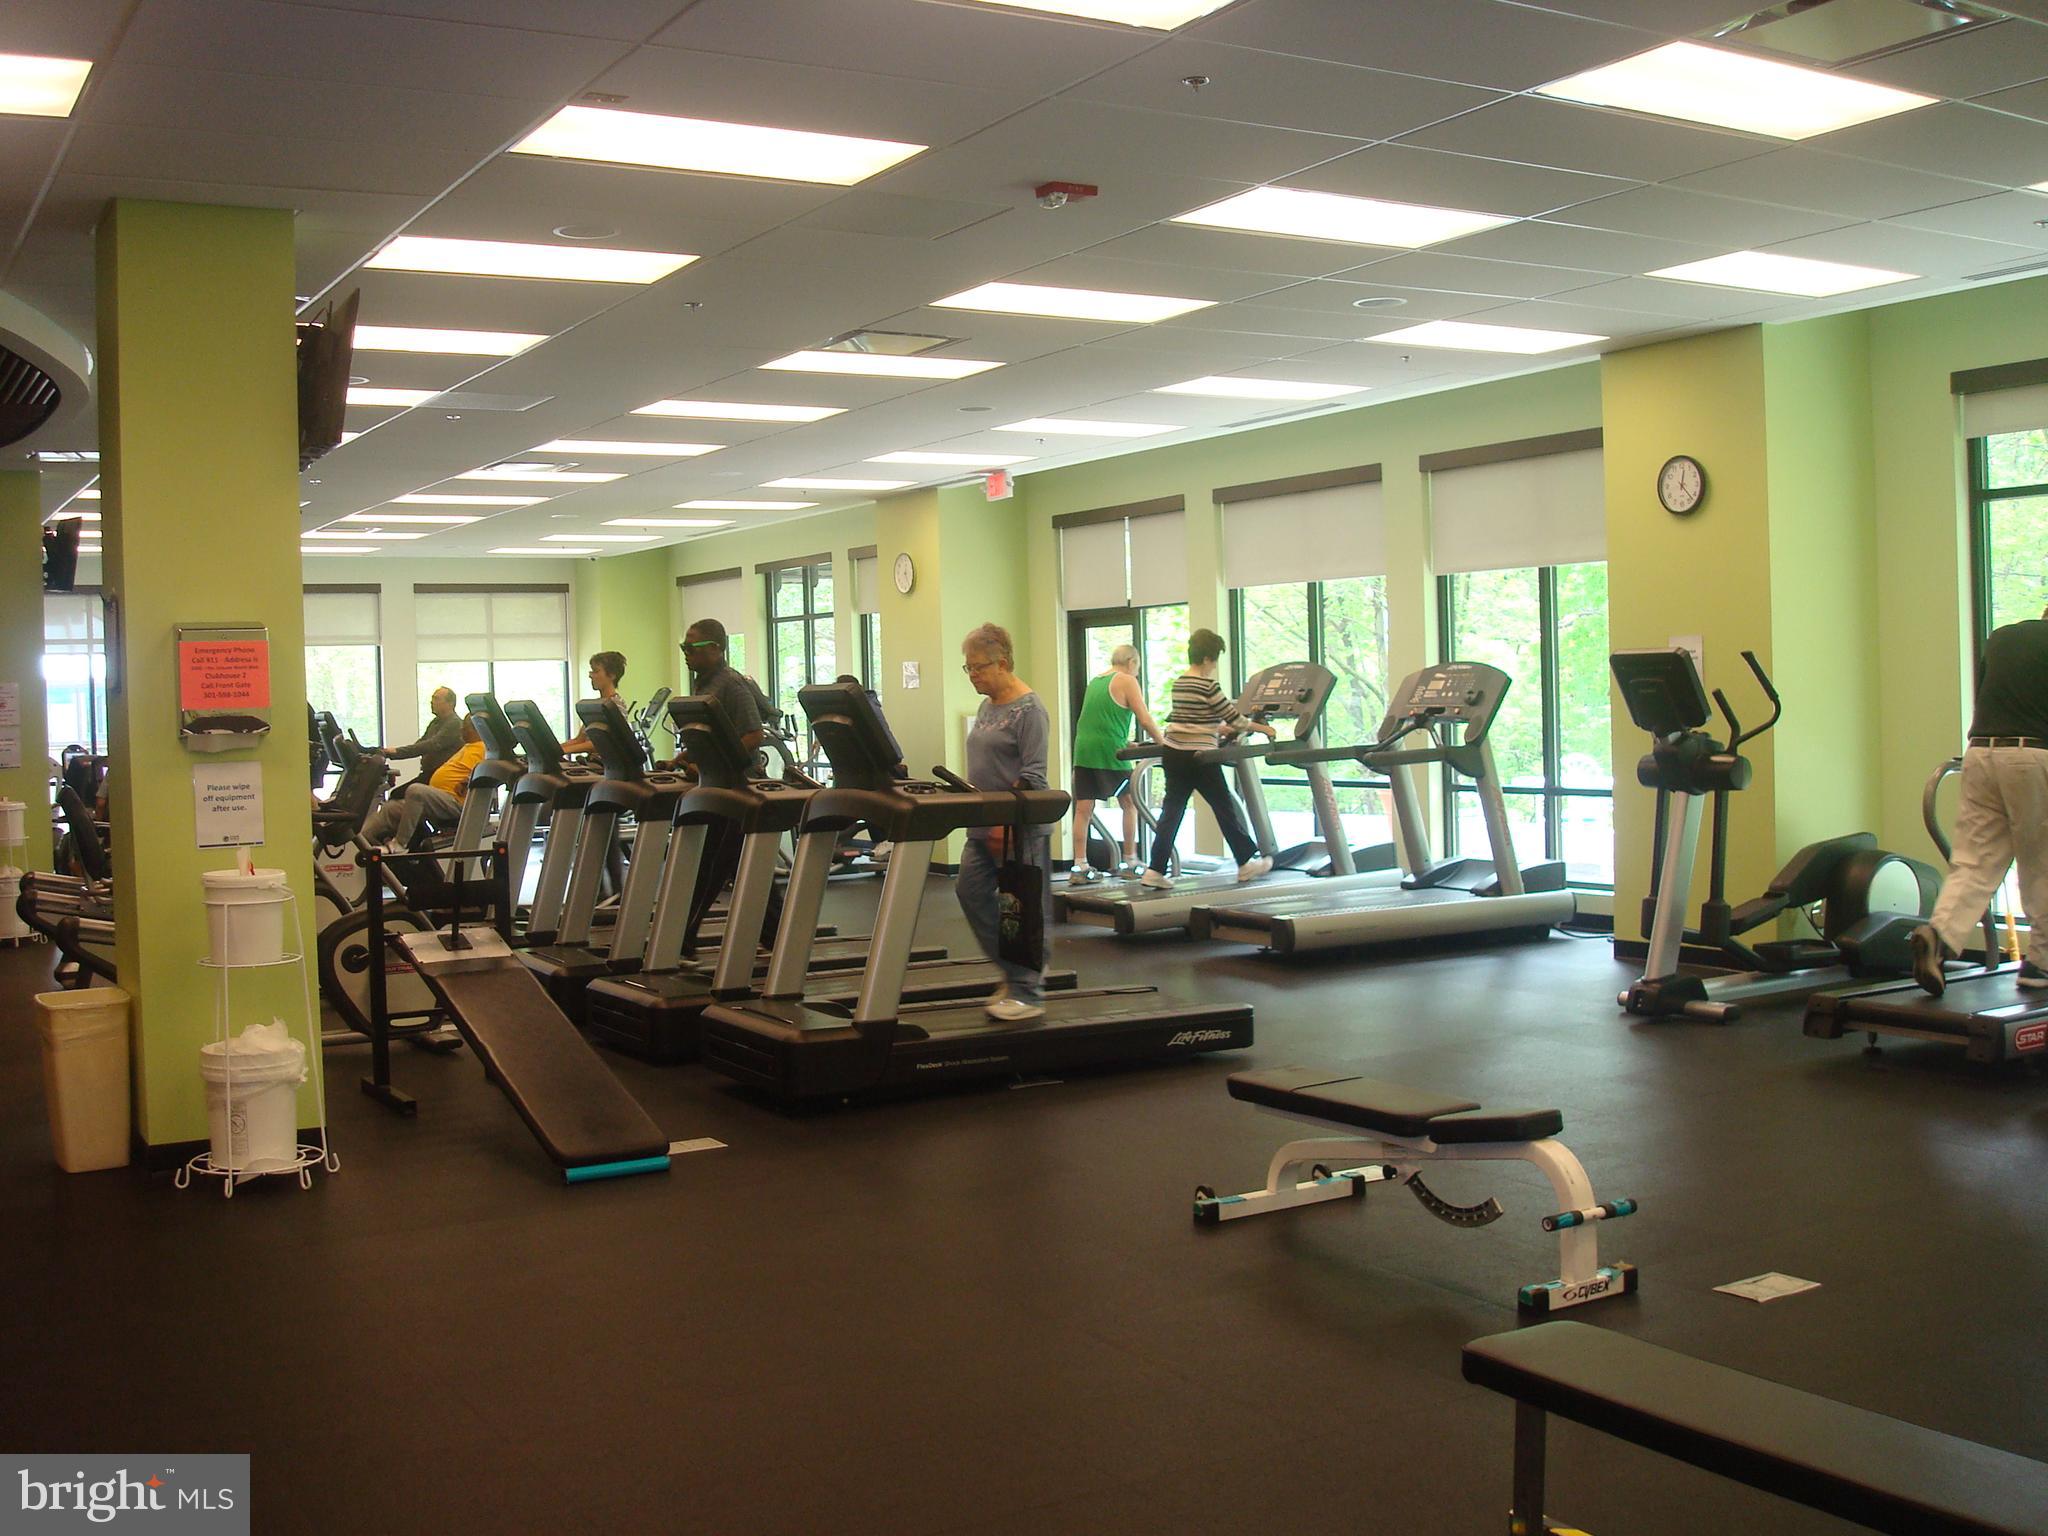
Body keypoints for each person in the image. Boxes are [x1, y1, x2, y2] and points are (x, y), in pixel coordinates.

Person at [1909, 603, 2048, 995]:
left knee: (1974, 861)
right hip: (2034, 756)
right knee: (2042, 863)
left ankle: (1939, 936)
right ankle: (2040, 964)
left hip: (1981, 754)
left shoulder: (2003, 637)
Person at [957, 622, 1053, 1023]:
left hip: (1017, 828)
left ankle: (1027, 991)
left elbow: (1033, 775)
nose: (973, 675)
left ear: (1004, 662)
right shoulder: (987, 706)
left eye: (979, 667)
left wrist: (1005, 824)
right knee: (969, 892)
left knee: (1020, 909)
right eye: (968, 667)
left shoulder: (1030, 711)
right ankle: (1015, 971)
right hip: (983, 823)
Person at [1142, 629, 1275, 891]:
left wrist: (1217, 728)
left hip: (1173, 752)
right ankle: (1246, 862)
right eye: (1214, 660)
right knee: (1224, 807)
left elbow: (1193, 718)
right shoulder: (1208, 685)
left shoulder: (1179, 683)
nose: (1214, 666)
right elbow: (1235, 719)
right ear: (1206, 659)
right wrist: (1264, 729)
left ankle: (1154, 869)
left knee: (1172, 811)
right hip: (1199, 757)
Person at [679, 619, 780, 950]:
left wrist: (716, 761)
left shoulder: (732, 685)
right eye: (683, 648)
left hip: (738, 786)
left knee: (713, 864)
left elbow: (753, 734)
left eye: (691, 647)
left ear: (715, 648)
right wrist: (686, 757)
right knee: (744, 865)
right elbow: (711, 734)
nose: (686, 653)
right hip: (716, 786)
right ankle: (777, 935)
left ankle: (684, 936)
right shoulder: (704, 684)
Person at [1067, 643, 1165, 884]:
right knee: (1129, 803)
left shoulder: (1095, 682)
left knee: (1083, 810)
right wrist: (1164, 744)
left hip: (1084, 750)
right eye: (1137, 667)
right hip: (1109, 753)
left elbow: (1100, 721)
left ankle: (1080, 865)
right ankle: (1130, 861)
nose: (1137, 673)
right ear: (1132, 662)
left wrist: (1126, 742)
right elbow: (1144, 719)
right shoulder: (1127, 680)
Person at [361, 719, 486, 851]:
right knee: (391, 808)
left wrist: (468, 780)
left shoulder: (483, 748)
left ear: (477, 729)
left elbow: (488, 769)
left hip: (456, 802)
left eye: (465, 726)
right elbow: (421, 744)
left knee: (416, 791)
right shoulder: (466, 746)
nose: (461, 729)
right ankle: (364, 844)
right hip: (438, 798)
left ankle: (400, 845)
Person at [377, 686, 464, 783]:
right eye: (432, 698)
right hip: (430, 773)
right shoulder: (435, 722)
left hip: (440, 776)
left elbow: (430, 745)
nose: (431, 702)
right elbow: (420, 744)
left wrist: (396, 751)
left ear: (450, 703)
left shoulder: (454, 724)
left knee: (403, 791)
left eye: (436, 699)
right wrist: (392, 753)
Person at [559, 652, 626, 757]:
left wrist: (562, 751)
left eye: (596, 671)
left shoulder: (615, 705)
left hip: (606, 764)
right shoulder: (596, 706)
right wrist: (554, 749)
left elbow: (601, 743)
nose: (590, 675)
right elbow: (579, 740)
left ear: (612, 675)